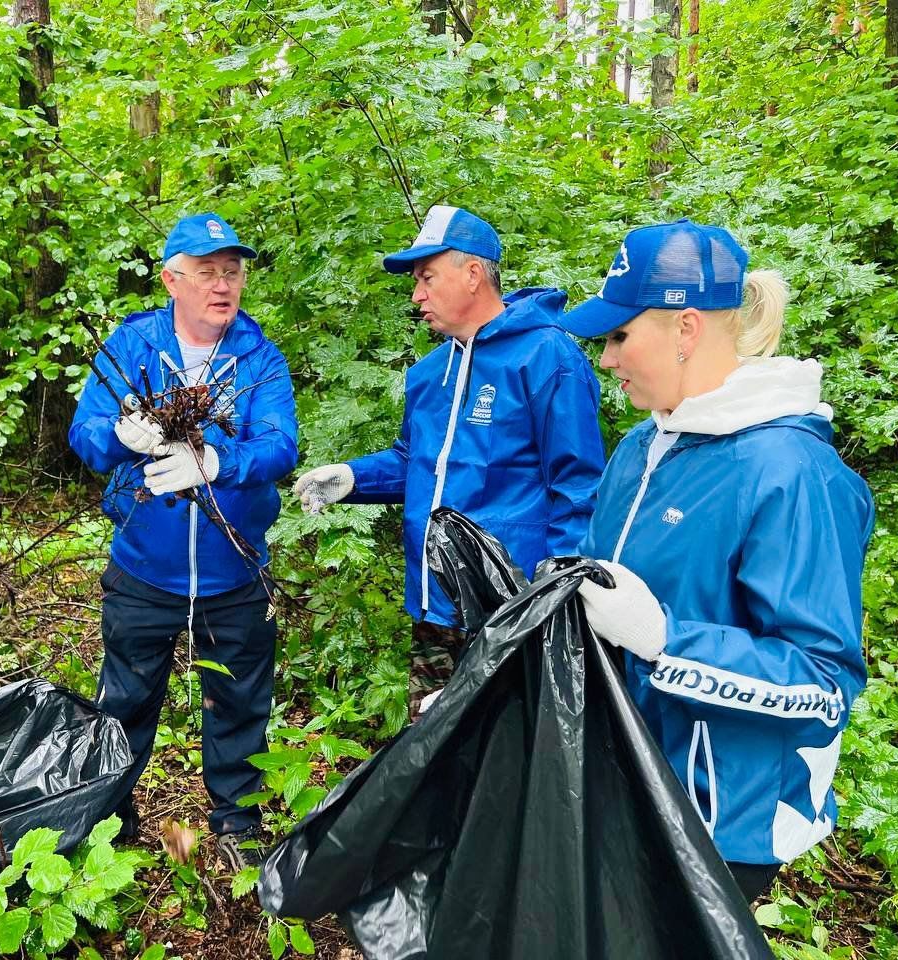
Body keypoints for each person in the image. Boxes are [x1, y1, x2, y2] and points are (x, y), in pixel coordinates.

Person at [562, 218, 873, 903]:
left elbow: (824, 686)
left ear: (686, 327)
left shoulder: (791, 473)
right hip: (623, 788)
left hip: (720, 824)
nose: (606, 360)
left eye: (619, 336)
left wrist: (665, 640)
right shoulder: (642, 448)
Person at [292, 205, 605, 715]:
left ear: (474, 273)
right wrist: (351, 477)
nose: (416, 296)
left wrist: (556, 593)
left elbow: (579, 486)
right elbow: (415, 462)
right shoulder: (429, 373)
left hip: (512, 607)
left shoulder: (546, 357)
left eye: (427, 278)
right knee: (431, 745)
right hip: (434, 604)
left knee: (507, 751)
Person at [69, 213, 298, 872]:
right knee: (125, 702)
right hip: (146, 569)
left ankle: (237, 825)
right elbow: (85, 436)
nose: (223, 285)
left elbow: (280, 444)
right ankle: (110, 822)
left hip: (236, 570)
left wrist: (219, 463)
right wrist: (123, 436)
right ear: (172, 279)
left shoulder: (258, 356)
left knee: (239, 701)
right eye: (206, 272)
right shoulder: (132, 345)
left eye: (232, 271)